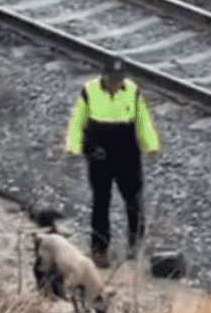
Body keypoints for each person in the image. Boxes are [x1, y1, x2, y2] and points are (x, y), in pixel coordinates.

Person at [64, 57, 160, 267]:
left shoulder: (132, 91)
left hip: (126, 151)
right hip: (100, 152)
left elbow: (143, 119)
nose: (115, 83)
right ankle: (99, 250)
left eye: (119, 79)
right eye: (112, 78)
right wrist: (74, 145)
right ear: (104, 76)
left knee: (134, 200)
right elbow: (78, 120)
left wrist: (150, 143)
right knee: (101, 202)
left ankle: (134, 245)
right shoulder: (89, 91)